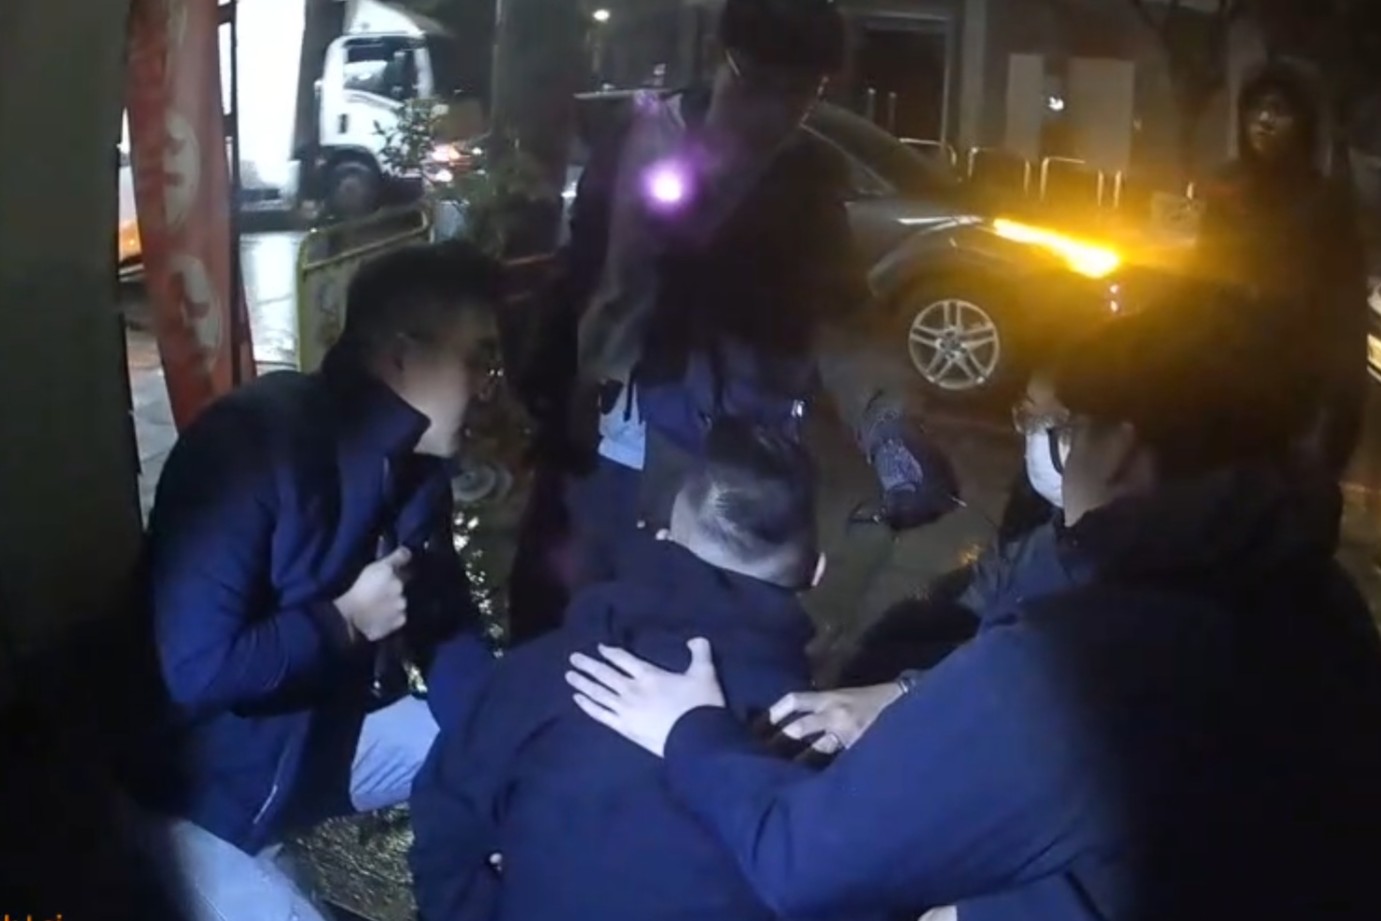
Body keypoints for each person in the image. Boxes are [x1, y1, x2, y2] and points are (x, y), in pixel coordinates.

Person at [565, 287, 1381, 921]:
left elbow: (801, 860)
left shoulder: (1069, 664)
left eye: (1068, 430)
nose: (1054, 451)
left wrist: (691, 731)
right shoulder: (1315, 595)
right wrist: (912, 698)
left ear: (1121, 447)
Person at [508, 0, 958, 640]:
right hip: (596, 443)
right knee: (552, 623)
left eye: (801, 93)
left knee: (677, 637)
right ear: (722, 61)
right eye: (760, 85)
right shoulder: (637, 140)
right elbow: (586, 274)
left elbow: (845, 316)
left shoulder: (805, 179)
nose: (776, 112)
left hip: (721, 466)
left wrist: (888, 423)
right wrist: (553, 387)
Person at [121, 242, 502, 920]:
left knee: (503, 752)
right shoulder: (250, 445)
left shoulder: (415, 467)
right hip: (194, 796)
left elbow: (446, 628)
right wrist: (343, 621)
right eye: (476, 358)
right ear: (401, 355)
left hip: (315, 749)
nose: (487, 386)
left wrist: (512, 752)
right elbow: (193, 671)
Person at [409, 418, 880, 921]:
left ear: (663, 536)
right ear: (815, 572)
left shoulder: (540, 672)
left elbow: (442, 824)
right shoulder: (815, 744)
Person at [1197, 61, 1369, 475]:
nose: (1264, 120)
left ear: (1304, 122)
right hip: (1218, 390)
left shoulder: (1325, 204)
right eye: (1256, 108)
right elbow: (1198, 287)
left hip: (1292, 400)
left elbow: (1344, 315)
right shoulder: (1225, 190)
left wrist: (1334, 422)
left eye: (1279, 110)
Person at [840, 370, 1067, 684]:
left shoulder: (1098, 575)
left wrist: (905, 689)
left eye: (1049, 424)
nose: (1031, 435)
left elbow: (1009, 673)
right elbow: (999, 565)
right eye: (1026, 415)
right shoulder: (1035, 500)